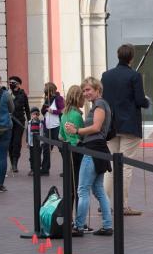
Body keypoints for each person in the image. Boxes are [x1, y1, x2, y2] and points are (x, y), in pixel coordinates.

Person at [101, 44, 150, 216]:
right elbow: (139, 100)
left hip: (111, 125)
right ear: (131, 58)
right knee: (126, 166)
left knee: (111, 166)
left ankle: (105, 203)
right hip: (129, 124)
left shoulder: (106, 76)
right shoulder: (134, 76)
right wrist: (147, 101)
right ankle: (122, 205)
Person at [64, 77, 113, 237]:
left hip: (93, 149)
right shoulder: (99, 104)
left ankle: (79, 226)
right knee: (98, 189)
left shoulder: (99, 104)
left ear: (97, 90)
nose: (85, 93)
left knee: (82, 190)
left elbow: (96, 127)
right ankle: (107, 225)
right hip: (98, 149)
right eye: (84, 90)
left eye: (88, 90)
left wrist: (77, 131)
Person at [59, 85, 85, 213]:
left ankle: (68, 218)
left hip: (67, 151)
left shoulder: (64, 115)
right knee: (79, 187)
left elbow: (61, 136)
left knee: (70, 187)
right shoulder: (77, 115)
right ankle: (80, 220)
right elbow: (82, 134)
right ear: (78, 98)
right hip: (77, 152)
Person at [7, 76, 30, 173]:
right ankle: (12, 162)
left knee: (16, 142)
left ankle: (15, 164)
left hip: (19, 122)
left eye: (13, 83)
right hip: (8, 122)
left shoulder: (22, 95)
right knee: (10, 143)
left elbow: (27, 109)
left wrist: (29, 121)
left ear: (17, 84)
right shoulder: (8, 94)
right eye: (10, 82)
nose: (10, 84)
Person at [40, 82, 64, 175]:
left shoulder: (59, 99)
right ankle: (45, 169)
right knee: (46, 149)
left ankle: (67, 169)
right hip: (48, 127)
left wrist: (52, 111)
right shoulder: (47, 100)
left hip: (57, 127)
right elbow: (43, 112)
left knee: (62, 149)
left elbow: (62, 110)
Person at [27, 107, 42, 176]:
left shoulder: (40, 123)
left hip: (38, 144)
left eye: (36, 114)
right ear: (31, 115)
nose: (35, 116)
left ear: (38, 115)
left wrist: (41, 142)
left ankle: (38, 169)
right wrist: (28, 142)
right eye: (33, 114)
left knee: (38, 156)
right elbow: (28, 133)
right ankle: (32, 169)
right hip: (31, 144)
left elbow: (41, 133)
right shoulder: (29, 123)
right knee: (32, 157)